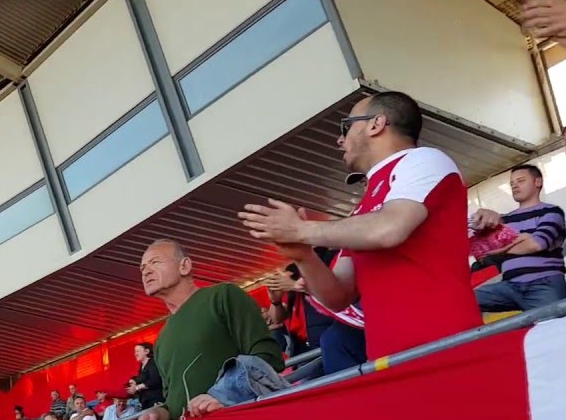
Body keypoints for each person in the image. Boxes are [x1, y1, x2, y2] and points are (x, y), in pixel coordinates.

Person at [241, 91, 480, 360]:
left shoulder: (423, 159)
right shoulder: (362, 210)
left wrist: (303, 230)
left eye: (346, 126)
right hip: (387, 356)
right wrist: (304, 256)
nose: (339, 139)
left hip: (446, 343)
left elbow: (390, 229)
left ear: (376, 124)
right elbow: (339, 295)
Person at [136, 239, 284, 420]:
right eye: (142, 268)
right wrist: (159, 413)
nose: (146, 271)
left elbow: (267, 357)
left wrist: (222, 394)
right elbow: (173, 401)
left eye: (155, 262)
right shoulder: (161, 339)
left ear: (185, 266)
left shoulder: (223, 296)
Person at [470, 164, 566, 311]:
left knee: (553, 329)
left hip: (544, 282)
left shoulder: (552, 211)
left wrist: (498, 246)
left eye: (521, 180)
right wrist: (521, 239)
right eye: (512, 183)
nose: (515, 186)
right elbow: (481, 253)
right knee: (462, 301)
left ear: (537, 182)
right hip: (509, 285)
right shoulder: (504, 219)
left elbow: (537, 244)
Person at [132, 342, 163, 409]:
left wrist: (137, 387)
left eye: (138, 351)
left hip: (155, 400)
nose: (135, 354)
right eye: (135, 352)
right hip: (145, 401)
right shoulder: (141, 366)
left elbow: (155, 380)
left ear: (147, 351)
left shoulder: (152, 363)